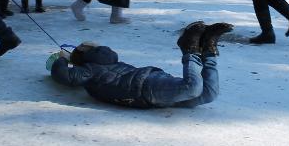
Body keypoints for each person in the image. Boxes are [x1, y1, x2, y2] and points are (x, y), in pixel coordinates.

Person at [49, 21, 233, 108]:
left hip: (146, 89)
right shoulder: (110, 61)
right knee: (209, 93)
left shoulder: (89, 70)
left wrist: (62, 58)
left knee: (192, 88)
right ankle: (208, 48)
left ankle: (190, 48)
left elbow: (64, 76)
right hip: (151, 85)